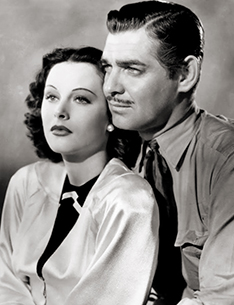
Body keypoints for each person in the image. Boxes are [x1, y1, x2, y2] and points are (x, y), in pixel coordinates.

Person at [0, 46, 159, 305]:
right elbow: (4, 281)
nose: (60, 111)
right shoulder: (26, 182)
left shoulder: (129, 200)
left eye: (81, 99)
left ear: (112, 114)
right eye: (51, 97)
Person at [102, 1, 234, 305]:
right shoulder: (123, 152)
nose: (110, 87)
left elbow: (220, 300)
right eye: (107, 68)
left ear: (185, 74)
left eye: (132, 69)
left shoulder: (225, 160)